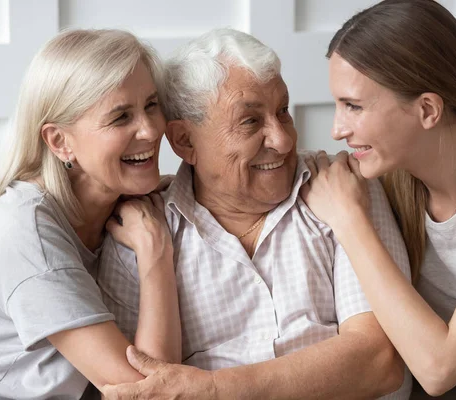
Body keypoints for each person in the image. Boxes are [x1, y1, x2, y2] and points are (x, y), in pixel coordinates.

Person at [98, 28, 412, 399]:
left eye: (283, 111)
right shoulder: (138, 233)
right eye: (250, 122)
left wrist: (215, 389)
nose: (283, 139)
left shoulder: (343, 189)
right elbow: (143, 389)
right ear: (184, 141)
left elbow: (380, 361)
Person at [300, 0, 456, 398]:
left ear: (427, 110)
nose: (336, 129)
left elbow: (439, 369)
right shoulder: (389, 168)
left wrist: (350, 222)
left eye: (353, 106)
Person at [0, 29, 180, 398]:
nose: (151, 129)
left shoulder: (121, 202)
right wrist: (156, 255)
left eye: (151, 105)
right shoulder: (26, 233)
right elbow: (151, 393)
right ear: (60, 141)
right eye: (121, 116)